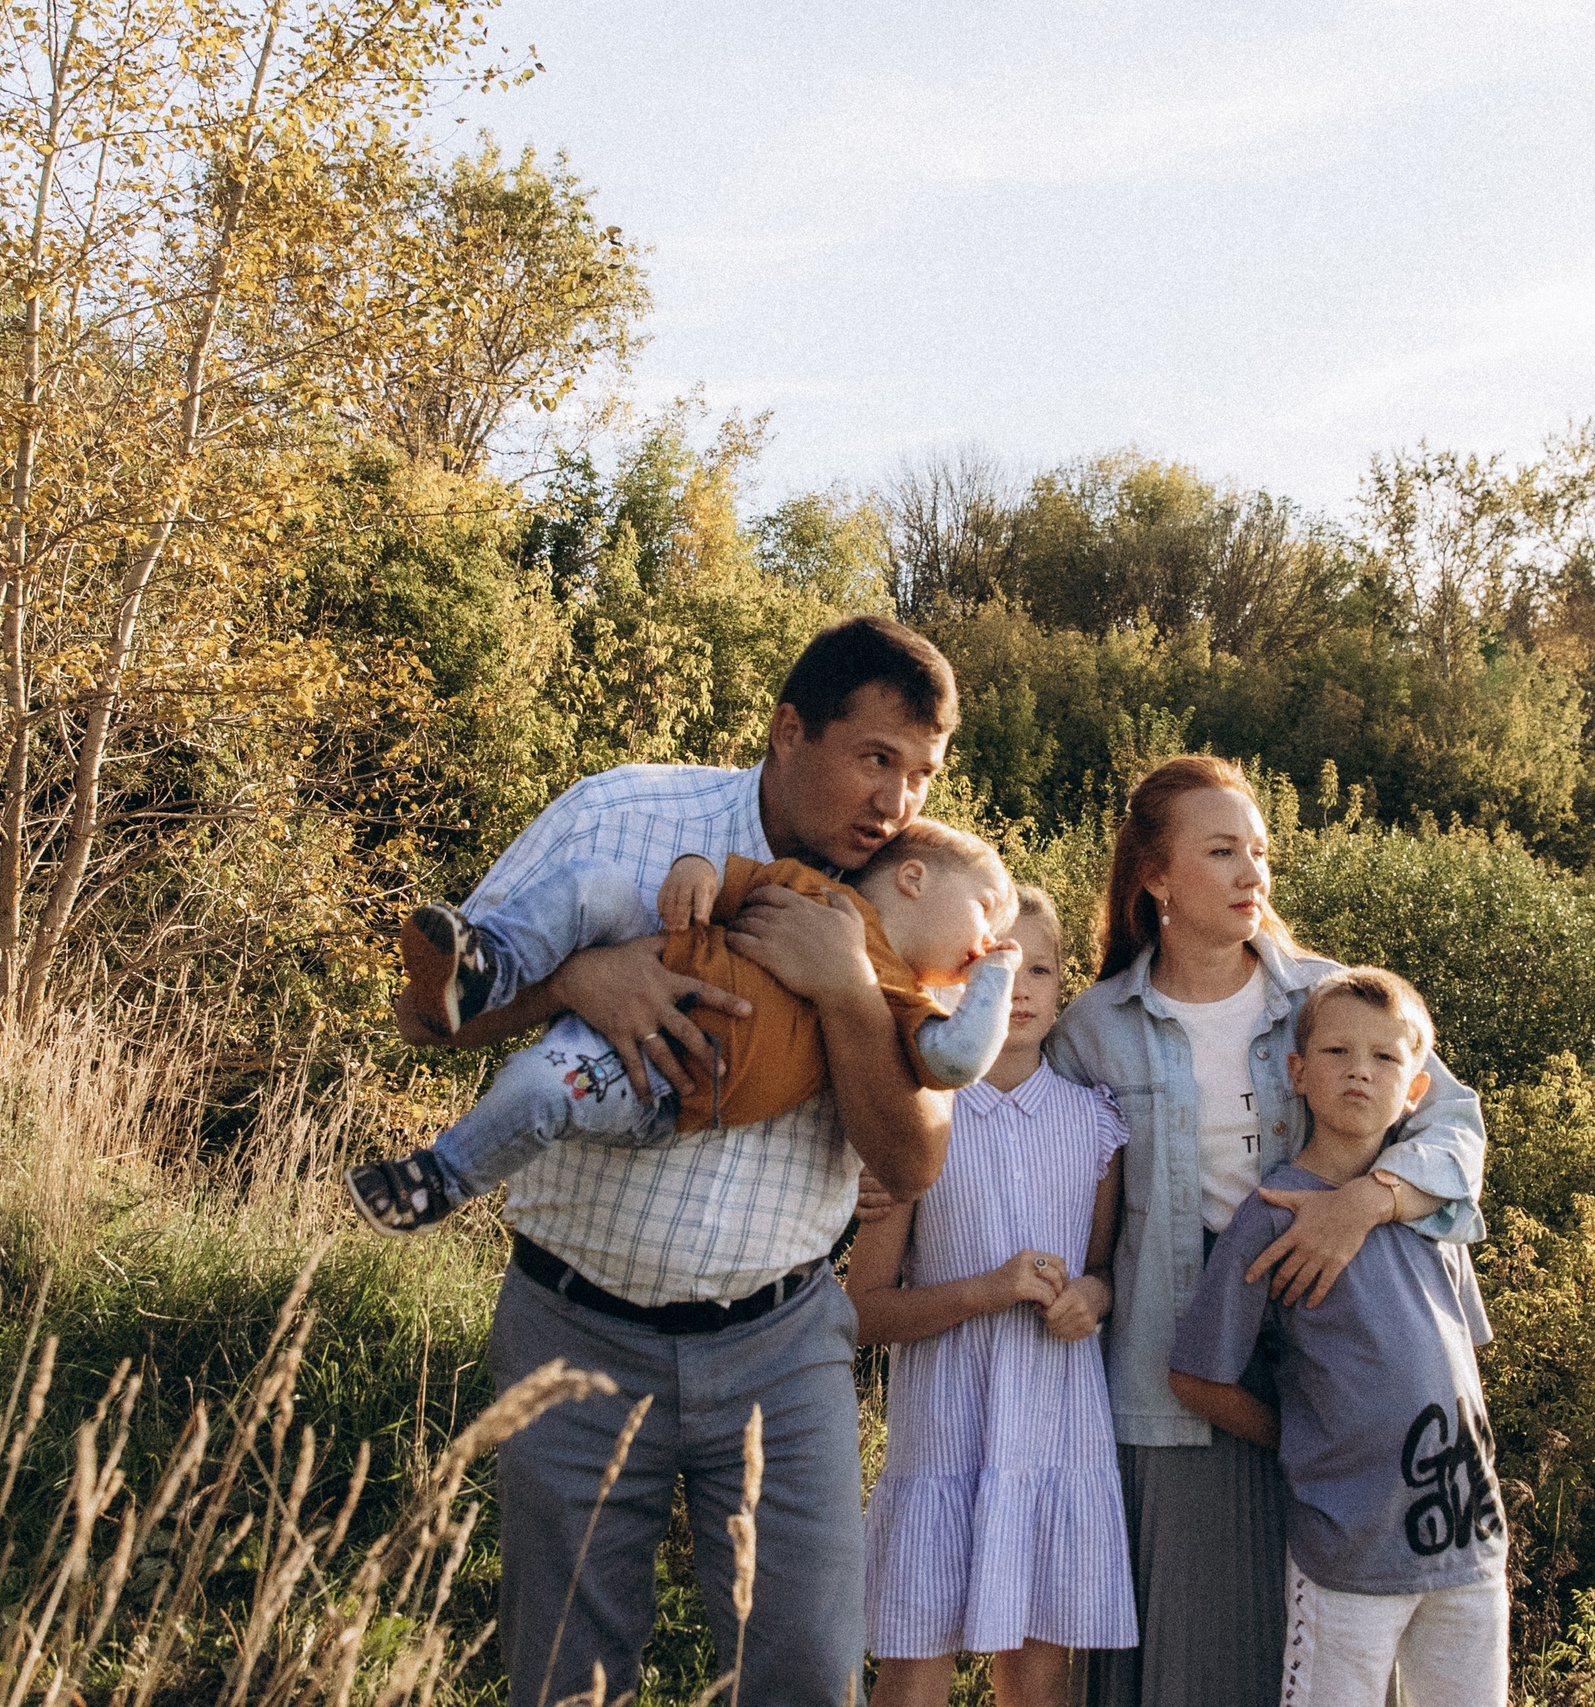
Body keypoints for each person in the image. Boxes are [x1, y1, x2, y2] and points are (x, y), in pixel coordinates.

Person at [422, 615, 962, 1707]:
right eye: (875, 758)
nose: (896, 801)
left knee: (807, 1674)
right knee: (568, 1678)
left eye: (921, 774)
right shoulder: (622, 813)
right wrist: (577, 978)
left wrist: (850, 993)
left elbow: (911, 1163)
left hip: (782, 1347)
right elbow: (430, 1012)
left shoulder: (916, 890)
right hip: (573, 1327)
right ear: (788, 731)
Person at [1045, 755, 1487, 1707]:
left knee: (1341, 1655)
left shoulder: (1325, 998)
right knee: (1198, 1656)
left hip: (1339, 1372)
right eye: (1222, 851)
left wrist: (1364, 1204)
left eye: (1260, 850)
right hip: (1179, 1367)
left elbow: (1456, 1125)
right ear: (1156, 877)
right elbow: (1032, 1149)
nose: (1253, 873)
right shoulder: (1094, 1028)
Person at [344, 819, 1022, 1233]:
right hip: (654, 952)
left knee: (539, 1086)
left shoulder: (903, 998)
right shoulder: (813, 887)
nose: (989, 940)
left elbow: (959, 1058)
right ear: (912, 878)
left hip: (669, 1078)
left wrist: (999, 973)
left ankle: (438, 1178)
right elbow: (728, 881)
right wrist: (693, 868)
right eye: (987, 911)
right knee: (593, 883)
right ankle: (488, 966)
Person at [1170, 969, 1505, 1707]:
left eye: (1386, 1057)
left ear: (1416, 1090)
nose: (1361, 1070)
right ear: (1298, 1072)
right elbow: (1195, 1378)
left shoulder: (1431, 1212)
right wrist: (1298, 1435)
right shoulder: (1274, 1214)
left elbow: (1458, 1360)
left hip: (1468, 1541)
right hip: (1349, 1552)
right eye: (1337, 1052)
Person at [850, 889, 1139, 1707]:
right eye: (995, 970)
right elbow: (860, 1310)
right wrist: (986, 1290)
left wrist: (1092, 1296)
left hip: (1056, 1434)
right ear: (952, 984)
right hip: (944, 1437)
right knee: (914, 1672)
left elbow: (1102, 1269)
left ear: (1064, 983)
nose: (1017, 989)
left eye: (1038, 969)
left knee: (1039, 1679)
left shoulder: (1095, 1123)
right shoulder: (919, 1120)